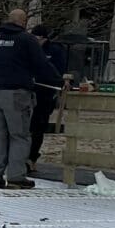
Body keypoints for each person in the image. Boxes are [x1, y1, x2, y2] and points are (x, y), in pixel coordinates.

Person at [0, 8, 63, 189]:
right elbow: (42, 65)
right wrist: (59, 82)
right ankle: (16, 176)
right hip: (16, 94)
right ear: (24, 22)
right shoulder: (26, 40)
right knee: (19, 136)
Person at [28, 23, 69, 175]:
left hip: (45, 93)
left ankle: (32, 158)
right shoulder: (29, 49)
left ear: (43, 38)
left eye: (36, 39)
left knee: (38, 127)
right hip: (29, 91)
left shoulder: (55, 50)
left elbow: (58, 71)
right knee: (26, 127)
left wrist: (59, 81)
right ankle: (22, 157)